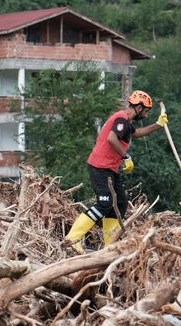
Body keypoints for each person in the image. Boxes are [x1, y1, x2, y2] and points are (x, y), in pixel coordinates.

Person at [65, 90, 168, 254]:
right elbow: (112, 138)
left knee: (119, 204)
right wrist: (126, 156)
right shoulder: (122, 119)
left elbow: (136, 133)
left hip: (110, 169)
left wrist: (158, 125)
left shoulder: (126, 122)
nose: (146, 115)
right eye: (146, 111)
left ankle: (108, 246)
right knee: (105, 203)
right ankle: (72, 239)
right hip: (100, 167)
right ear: (139, 107)